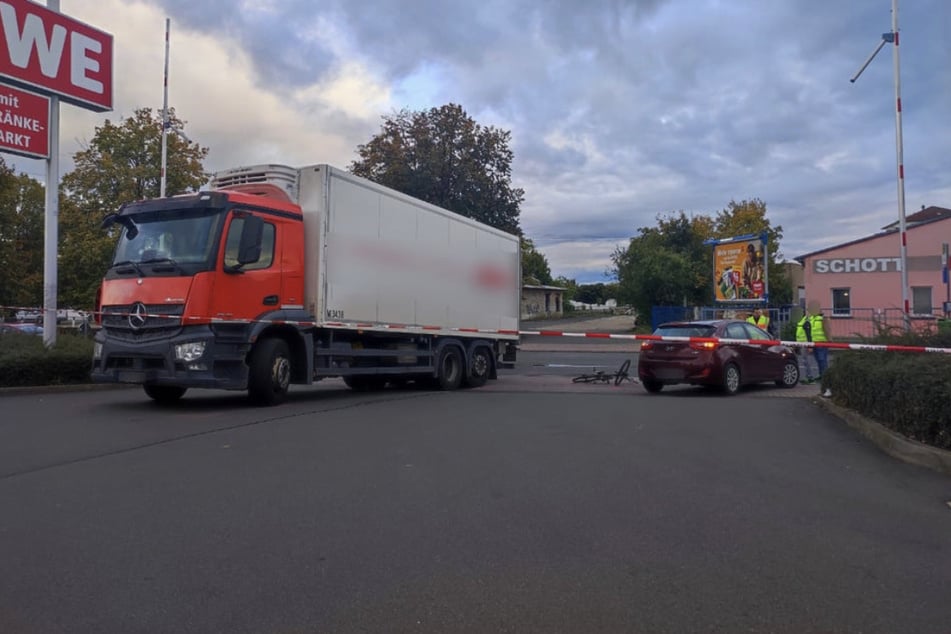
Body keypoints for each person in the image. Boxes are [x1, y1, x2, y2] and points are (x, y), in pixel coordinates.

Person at [796, 307, 819, 384]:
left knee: (806, 361)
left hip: (805, 343)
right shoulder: (804, 319)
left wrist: (810, 346)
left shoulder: (808, 321)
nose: (807, 313)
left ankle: (809, 377)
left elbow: (809, 334)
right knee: (805, 361)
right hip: (802, 343)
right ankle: (808, 377)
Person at [809, 304, 831, 378]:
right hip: (814, 343)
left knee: (822, 360)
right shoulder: (811, 319)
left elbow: (827, 330)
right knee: (818, 360)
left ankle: (825, 376)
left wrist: (829, 341)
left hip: (822, 342)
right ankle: (821, 375)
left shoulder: (823, 319)